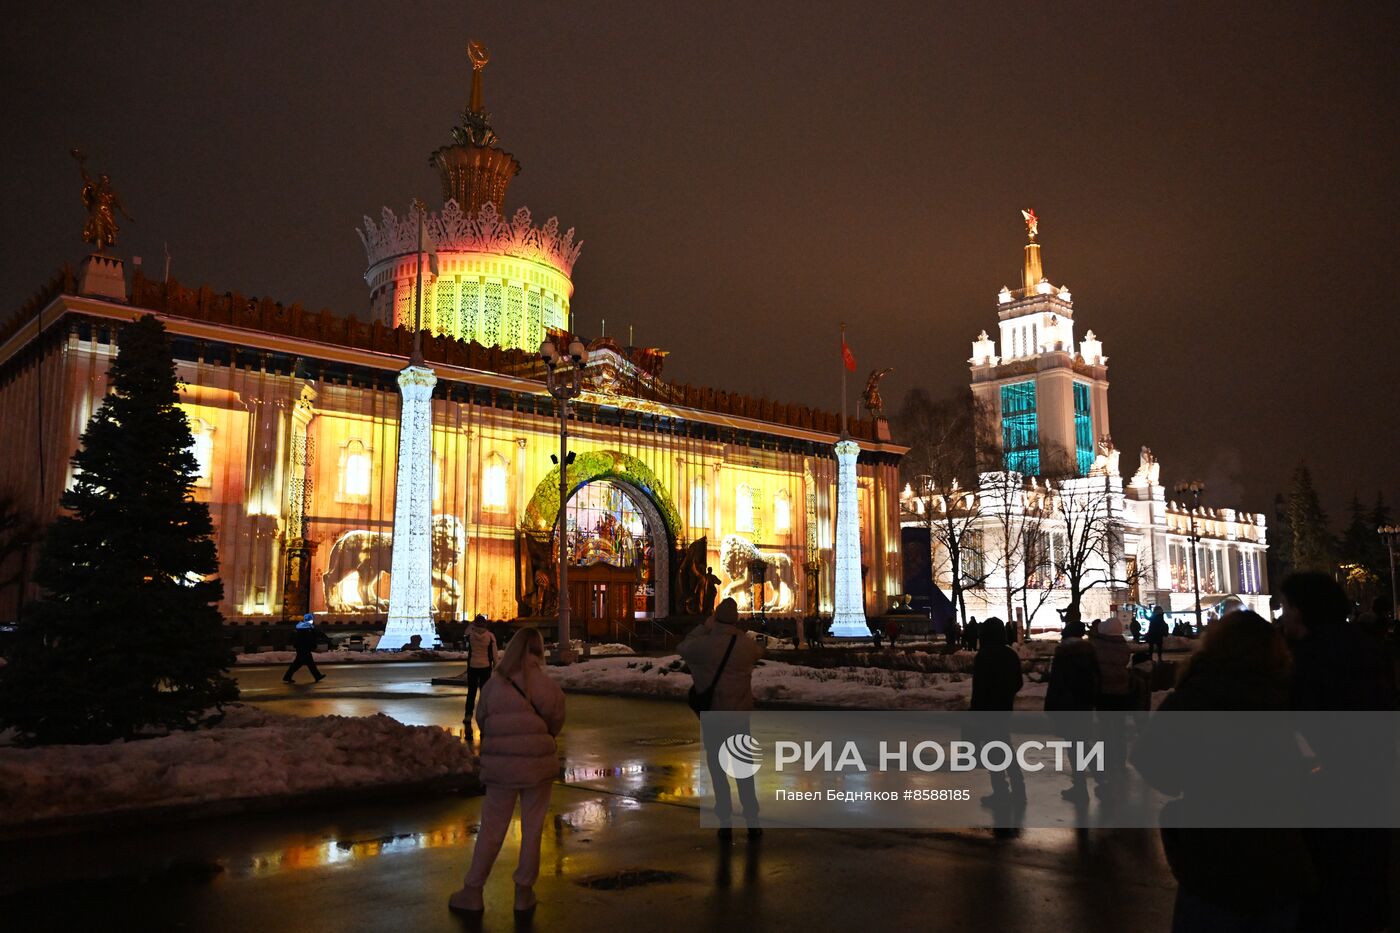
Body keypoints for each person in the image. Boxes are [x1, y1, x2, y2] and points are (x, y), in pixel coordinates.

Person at [1133, 611, 1312, 932]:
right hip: (1280, 856)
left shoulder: (1195, 695)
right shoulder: (1287, 693)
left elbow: (1150, 761)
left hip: (1213, 857)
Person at [1280, 572, 1397, 933]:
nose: (1282, 616)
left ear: (1300, 611)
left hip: (1321, 806)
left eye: (1285, 607)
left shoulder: (1305, 664)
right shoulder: (1367, 652)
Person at [448, 627, 566, 917]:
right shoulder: (548, 687)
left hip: (501, 768)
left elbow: (482, 721)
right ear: (539, 651)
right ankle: (524, 893)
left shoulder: (493, 686)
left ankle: (473, 890)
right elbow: (556, 724)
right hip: (538, 767)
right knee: (533, 829)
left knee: (491, 828)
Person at [677, 597, 764, 837]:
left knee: (717, 771)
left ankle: (725, 819)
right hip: (738, 718)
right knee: (744, 770)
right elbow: (758, 651)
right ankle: (752, 819)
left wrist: (705, 627)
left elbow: (683, 647)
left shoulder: (704, 645)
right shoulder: (744, 646)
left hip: (714, 717)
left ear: (716, 618)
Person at [970, 617, 1024, 807]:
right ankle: (1018, 788)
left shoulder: (984, 656)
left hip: (987, 710)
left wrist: (975, 712)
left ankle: (1000, 790)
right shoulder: (1010, 655)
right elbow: (1018, 682)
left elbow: (979, 688)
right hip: (1004, 708)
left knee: (993, 752)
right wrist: (1006, 695)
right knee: (1005, 747)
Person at [1044, 619, 1099, 802]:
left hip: (1067, 705)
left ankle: (1081, 788)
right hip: (1084, 704)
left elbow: (1056, 682)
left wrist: (1050, 706)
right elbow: (1096, 678)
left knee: (1074, 747)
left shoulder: (1063, 653)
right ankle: (1102, 779)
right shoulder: (1089, 652)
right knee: (1083, 744)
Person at [1089, 615, 1133, 779]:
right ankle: (1120, 761)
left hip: (1104, 692)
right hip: (1121, 692)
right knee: (1119, 729)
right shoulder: (1122, 646)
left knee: (1105, 728)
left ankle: (1107, 761)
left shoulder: (1100, 647)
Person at [462, 614, 499, 737]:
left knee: (471, 692)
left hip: (473, 666)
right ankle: (485, 714)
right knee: (485, 693)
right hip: (485, 667)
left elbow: (465, 632)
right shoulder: (490, 636)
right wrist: (496, 665)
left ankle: (468, 715)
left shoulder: (471, 635)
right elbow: (494, 653)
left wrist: (472, 624)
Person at [282, 613, 326, 684]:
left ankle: (317, 676)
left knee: (306, 663)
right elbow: (306, 638)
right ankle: (287, 676)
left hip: (303, 648)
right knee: (300, 664)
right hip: (303, 648)